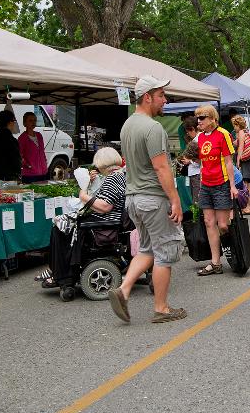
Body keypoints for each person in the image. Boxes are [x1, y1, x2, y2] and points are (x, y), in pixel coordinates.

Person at [109, 75, 187, 324]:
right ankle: (161, 308)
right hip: (153, 199)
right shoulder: (153, 128)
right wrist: (175, 199)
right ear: (147, 97)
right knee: (165, 252)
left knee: (146, 249)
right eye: (161, 96)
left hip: (133, 199)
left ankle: (123, 289)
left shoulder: (127, 125)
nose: (165, 100)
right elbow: (161, 168)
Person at [39, 147, 127, 289]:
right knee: (62, 222)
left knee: (59, 227)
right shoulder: (119, 176)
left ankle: (61, 274)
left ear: (103, 164)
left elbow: (105, 206)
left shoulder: (112, 179)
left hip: (104, 220)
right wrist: (90, 183)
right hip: (107, 218)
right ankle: (56, 269)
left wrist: (84, 195)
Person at [193, 104, 239, 276]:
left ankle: (234, 251)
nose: (199, 121)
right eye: (198, 118)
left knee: (223, 225)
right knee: (208, 222)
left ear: (212, 118)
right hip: (206, 184)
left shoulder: (223, 134)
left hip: (221, 184)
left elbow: (228, 162)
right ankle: (215, 263)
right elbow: (201, 160)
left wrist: (233, 186)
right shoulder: (200, 137)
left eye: (202, 117)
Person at [231, 115, 250, 214]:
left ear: (238, 124)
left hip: (244, 161)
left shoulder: (241, 132)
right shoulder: (245, 132)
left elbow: (241, 148)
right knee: (248, 185)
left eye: (234, 125)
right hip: (248, 160)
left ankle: (247, 207)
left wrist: (238, 161)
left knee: (245, 185)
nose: (234, 127)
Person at [0, 109, 21, 181]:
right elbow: (16, 161)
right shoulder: (11, 141)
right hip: (9, 178)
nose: (14, 123)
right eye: (14, 121)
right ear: (10, 122)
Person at [18, 111, 49, 183]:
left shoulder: (39, 135)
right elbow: (19, 155)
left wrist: (45, 162)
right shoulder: (22, 138)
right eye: (30, 120)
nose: (33, 123)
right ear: (24, 123)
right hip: (30, 174)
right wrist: (28, 165)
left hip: (43, 171)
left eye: (35, 120)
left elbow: (42, 151)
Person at [178, 116, 201, 206]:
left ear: (192, 129)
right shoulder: (197, 139)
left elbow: (202, 159)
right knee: (196, 198)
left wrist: (189, 161)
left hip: (197, 173)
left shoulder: (197, 140)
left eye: (188, 132)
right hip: (195, 173)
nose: (187, 134)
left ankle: (199, 218)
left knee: (197, 199)